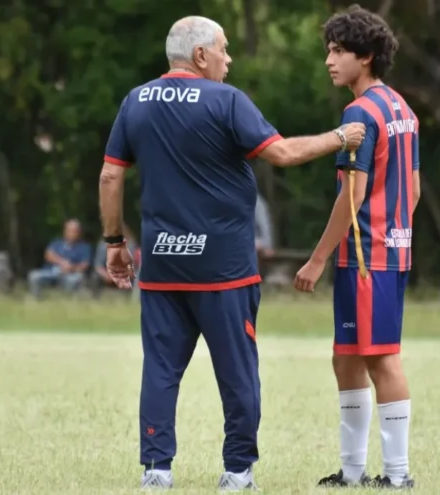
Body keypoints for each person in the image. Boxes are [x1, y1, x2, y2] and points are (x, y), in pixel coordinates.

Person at [97, 16, 366, 491]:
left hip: (162, 265)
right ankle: (237, 472)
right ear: (200, 55)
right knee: (238, 373)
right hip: (223, 270)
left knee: (160, 370)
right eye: (223, 49)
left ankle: (157, 471)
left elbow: (110, 177)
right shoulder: (226, 100)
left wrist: (116, 243)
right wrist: (339, 138)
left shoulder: (135, 101)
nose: (229, 59)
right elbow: (281, 153)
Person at [292, 6, 416, 489]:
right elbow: (415, 188)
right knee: (346, 355)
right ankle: (351, 472)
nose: (329, 60)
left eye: (339, 51)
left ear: (365, 57)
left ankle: (398, 476)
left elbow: (353, 195)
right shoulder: (403, 108)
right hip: (386, 249)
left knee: (381, 358)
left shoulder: (359, 113)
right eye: (328, 50)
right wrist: (397, 230)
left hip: (367, 257)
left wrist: (317, 259)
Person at [26, 219, 92, 299]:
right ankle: (37, 299)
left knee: (73, 280)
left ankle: (66, 301)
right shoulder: (57, 242)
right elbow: (48, 255)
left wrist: (71, 268)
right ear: (65, 231)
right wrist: (62, 262)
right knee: (34, 276)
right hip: (52, 272)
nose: (72, 233)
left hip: (70, 274)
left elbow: (85, 265)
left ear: (79, 232)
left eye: (75, 231)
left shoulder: (84, 247)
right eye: (70, 230)